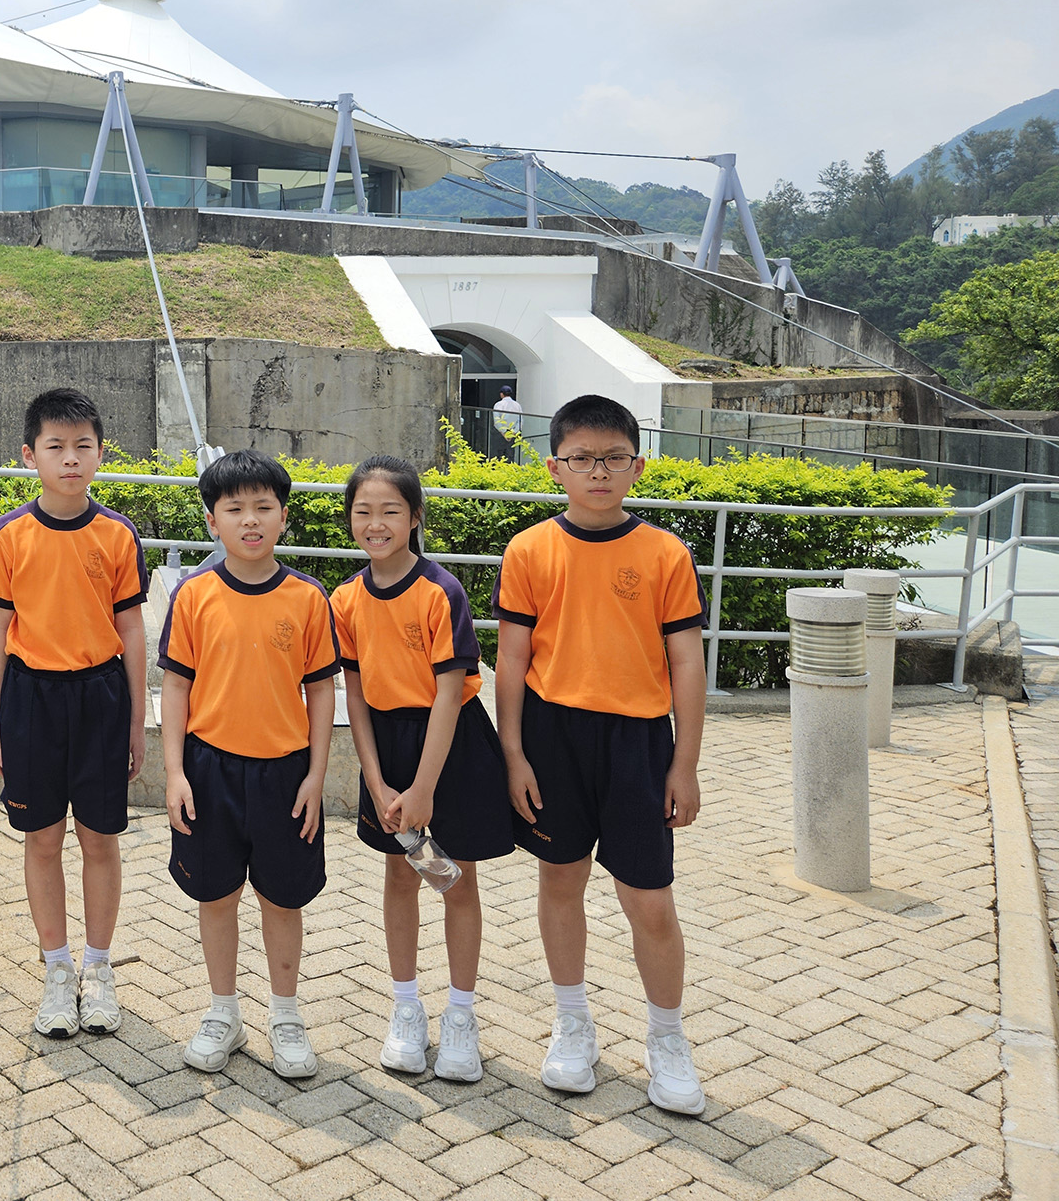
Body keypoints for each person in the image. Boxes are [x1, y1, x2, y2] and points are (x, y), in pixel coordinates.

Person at [493, 393, 710, 1116]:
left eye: (613, 458)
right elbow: (513, 659)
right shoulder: (529, 550)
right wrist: (514, 754)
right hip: (552, 736)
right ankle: (572, 1022)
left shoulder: (664, 553)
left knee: (649, 897)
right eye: (582, 458)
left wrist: (684, 764)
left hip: (638, 741)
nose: (598, 472)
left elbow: (686, 662)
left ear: (636, 467)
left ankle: (667, 1037)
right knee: (561, 880)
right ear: (554, 467)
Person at [333, 455, 515, 1083]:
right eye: (363, 511)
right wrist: (377, 779)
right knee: (400, 874)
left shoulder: (442, 591)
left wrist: (423, 788)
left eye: (390, 511)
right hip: (386, 747)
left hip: (449, 745)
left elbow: (448, 691)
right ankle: (406, 1009)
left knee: (456, 880)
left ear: (414, 517)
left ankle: (460, 1015)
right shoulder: (345, 599)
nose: (375, 523)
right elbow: (356, 696)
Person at [159, 449, 340, 1079]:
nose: (251, 520)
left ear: (284, 517)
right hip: (209, 770)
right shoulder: (194, 595)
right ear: (213, 521)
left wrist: (316, 775)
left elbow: (322, 690)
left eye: (264, 507)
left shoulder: (308, 598)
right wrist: (175, 773)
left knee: (282, 899)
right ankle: (223, 1012)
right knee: (217, 895)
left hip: (285, 774)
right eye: (235, 509)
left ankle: (285, 1015)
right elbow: (175, 688)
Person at [0, 388, 150, 1039]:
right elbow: (0, 631)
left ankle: (98, 967)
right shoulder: (9, 535)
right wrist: (0, 717)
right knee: (43, 838)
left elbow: (131, 631)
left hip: (101, 697)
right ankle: (57, 970)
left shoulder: (117, 534)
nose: (70, 459)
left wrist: (135, 720)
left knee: (99, 838)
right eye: (56, 447)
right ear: (31, 456)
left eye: (83, 446)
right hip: (32, 699)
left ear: (101, 453)